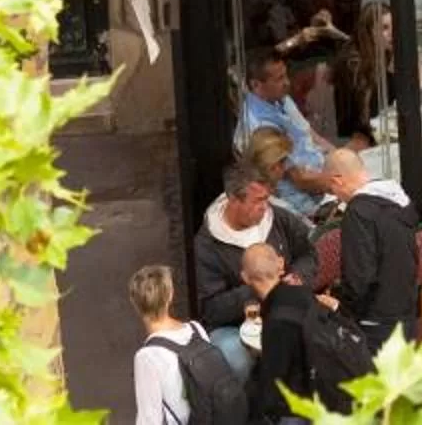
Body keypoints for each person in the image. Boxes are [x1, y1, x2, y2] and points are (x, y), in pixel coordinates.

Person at [193, 162, 317, 378]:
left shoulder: (279, 220)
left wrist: (297, 276)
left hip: (289, 310)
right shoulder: (207, 246)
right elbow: (211, 309)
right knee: (236, 359)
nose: (264, 207)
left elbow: (309, 255)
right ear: (234, 200)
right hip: (234, 326)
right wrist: (259, 287)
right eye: (257, 201)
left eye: (267, 199)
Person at [325, 146, 419, 349]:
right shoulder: (398, 202)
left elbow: (360, 276)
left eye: (331, 188)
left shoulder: (358, 213)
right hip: (406, 315)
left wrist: (342, 308)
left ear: (337, 180)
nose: (335, 195)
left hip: (375, 323)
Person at [130, 262, 235, 425]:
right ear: (170, 296)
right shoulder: (196, 329)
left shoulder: (146, 357)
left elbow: (149, 418)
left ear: (135, 303)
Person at [234, 55, 335, 216]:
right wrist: (340, 182)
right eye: (279, 78)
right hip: (304, 198)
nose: (287, 82)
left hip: (322, 170)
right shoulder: (259, 127)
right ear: (256, 84)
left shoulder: (280, 98)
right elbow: (300, 179)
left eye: (286, 75)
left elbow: (310, 134)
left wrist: (337, 155)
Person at [238, 243, 313, 422]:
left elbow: (271, 387)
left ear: (245, 278)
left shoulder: (277, 321)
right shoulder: (303, 294)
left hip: (297, 408)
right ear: (280, 265)